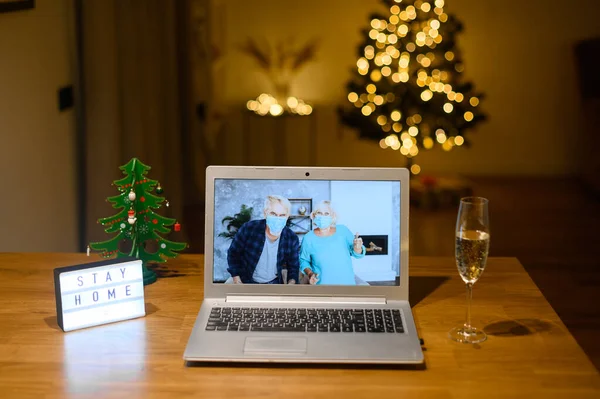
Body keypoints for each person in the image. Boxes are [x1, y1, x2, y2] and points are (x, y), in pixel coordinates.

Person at [227, 195, 299, 284]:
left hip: (274, 283)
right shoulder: (249, 228)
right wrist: (237, 279)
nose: (278, 218)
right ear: (265, 213)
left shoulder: (291, 238)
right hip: (246, 280)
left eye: (282, 215)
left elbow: (293, 267)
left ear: (287, 216)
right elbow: (233, 254)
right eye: (273, 214)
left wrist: (291, 283)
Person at [299, 200, 365, 285]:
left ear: (333, 216)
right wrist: (310, 274)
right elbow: (303, 261)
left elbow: (357, 254)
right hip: (322, 286)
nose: (323, 216)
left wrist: (357, 248)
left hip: (347, 285)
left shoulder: (343, 231)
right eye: (319, 213)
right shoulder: (308, 238)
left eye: (326, 213)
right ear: (314, 216)